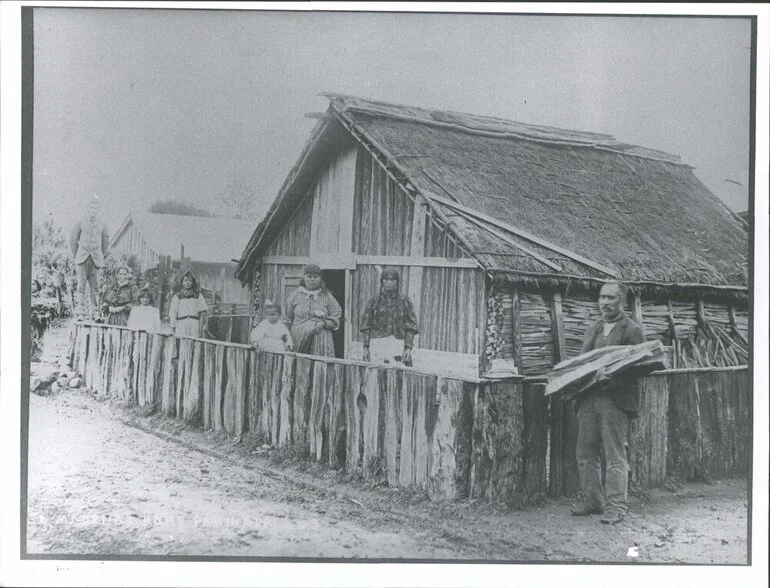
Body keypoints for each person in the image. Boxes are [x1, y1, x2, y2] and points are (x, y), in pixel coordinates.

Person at [571, 281, 645, 524]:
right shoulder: (595, 327)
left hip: (613, 400)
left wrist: (611, 378)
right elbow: (583, 361)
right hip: (588, 397)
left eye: (611, 298)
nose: (604, 302)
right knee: (585, 452)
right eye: (602, 297)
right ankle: (593, 501)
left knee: (614, 455)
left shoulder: (631, 330)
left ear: (621, 301)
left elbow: (638, 371)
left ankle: (616, 506)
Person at [360, 267, 419, 366]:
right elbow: (366, 326)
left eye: (392, 280)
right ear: (382, 281)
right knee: (377, 376)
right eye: (386, 280)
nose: (389, 283)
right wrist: (366, 347)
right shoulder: (374, 301)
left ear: (397, 282)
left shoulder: (404, 300)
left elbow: (411, 327)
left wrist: (408, 348)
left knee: (400, 377)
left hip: (399, 345)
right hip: (378, 345)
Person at [282, 264, 341, 357]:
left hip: (321, 341)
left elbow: (336, 319)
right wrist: (286, 341)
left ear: (320, 279)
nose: (312, 279)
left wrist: (324, 323)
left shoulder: (327, 296)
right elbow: (286, 320)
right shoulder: (294, 296)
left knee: (319, 367)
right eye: (309, 276)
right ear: (304, 277)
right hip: (297, 339)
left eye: (315, 277)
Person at [70, 195, 109, 320]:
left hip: (96, 258)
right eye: (91, 208)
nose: (93, 211)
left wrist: (99, 254)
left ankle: (94, 313)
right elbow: (73, 240)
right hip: (82, 257)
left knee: (95, 287)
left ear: (98, 210)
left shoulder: (103, 224)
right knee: (81, 286)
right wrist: (78, 255)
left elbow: (105, 243)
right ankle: (81, 312)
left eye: (95, 209)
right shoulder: (80, 222)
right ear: (87, 209)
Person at [169, 271, 208, 337]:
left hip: (194, 324)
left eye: (190, 280)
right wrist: (173, 327)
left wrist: (201, 328)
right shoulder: (177, 296)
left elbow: (203, 312)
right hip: (181, 323)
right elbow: (173, 312)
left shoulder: (198, 295)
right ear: (182, 282)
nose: (188, 282)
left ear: (193, 282)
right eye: (186, 280)